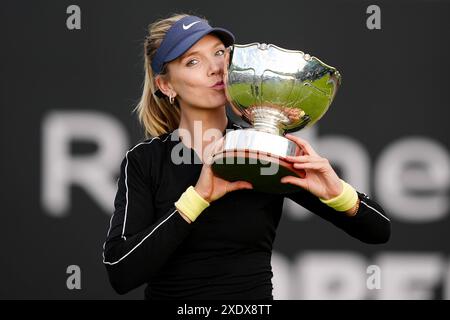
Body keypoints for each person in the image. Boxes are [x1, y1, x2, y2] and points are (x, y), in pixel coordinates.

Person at [102, 13, 391, 300]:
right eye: (193, 61)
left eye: (218, 53)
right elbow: (121, 271)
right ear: (166, 85)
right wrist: (197, 198)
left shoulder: (262, 149)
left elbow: (378, 229)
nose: (215, 68)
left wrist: (336, 192)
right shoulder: (145, 161)